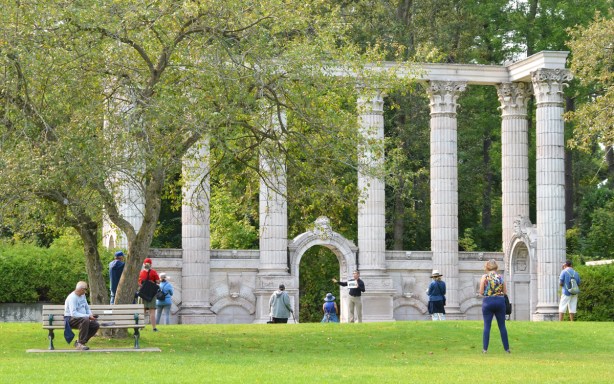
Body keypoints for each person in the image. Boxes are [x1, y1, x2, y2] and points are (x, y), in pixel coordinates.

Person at [479, 259, 510, 354]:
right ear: (496, 267)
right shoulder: (500, 277)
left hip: (488, 302)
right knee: (502, 326)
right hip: (500, 302)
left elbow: (481, 292)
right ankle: (507, 349)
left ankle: (485, 349)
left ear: (487, 267)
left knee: (487, 326)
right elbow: (505, 292)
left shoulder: (485, 277)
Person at [64, 281, 99, 350]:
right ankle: (80, 343)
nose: (86, 291)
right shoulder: (72, 298)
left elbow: (87, 307)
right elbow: (73, 313)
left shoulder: (83, 296)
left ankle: (79, 343)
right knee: (85, 319)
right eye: (85, 289)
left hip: (82, 319)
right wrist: (87, 316)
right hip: (71, 319)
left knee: (95, 325)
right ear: (81, 289)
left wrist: (90, 315)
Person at [139, 258, 160, 331]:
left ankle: (141, 327)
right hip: (151, 294)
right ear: (151, 264)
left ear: (144, 264)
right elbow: (158, 282)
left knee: (143, 311)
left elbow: (139, 283)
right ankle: (154, 328)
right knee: (152, 312)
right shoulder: (153, 272)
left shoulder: (141, 273)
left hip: (143, 294)